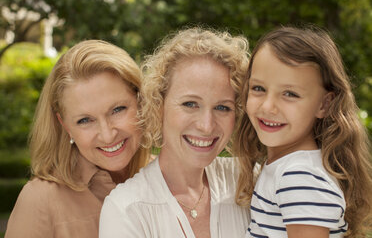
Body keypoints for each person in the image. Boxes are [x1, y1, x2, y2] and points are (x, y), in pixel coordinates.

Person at [99, 27, 250, 238]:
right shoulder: (127, 209)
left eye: (222, 107)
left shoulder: (249, 181)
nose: (207, 126)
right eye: (190, 104)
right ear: (158, 105)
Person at [234, 26, 372, 238]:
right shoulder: (287, 168)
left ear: (324, 104)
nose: (268, 106)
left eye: (290, 94)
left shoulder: (298, 176)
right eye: (259, 88)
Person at [5, 40, 150, 238]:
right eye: (85, 120)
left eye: (117, 110)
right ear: (65, 125)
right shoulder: (39, 201)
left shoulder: (172, 179)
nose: (107, 134)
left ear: (141, 101)